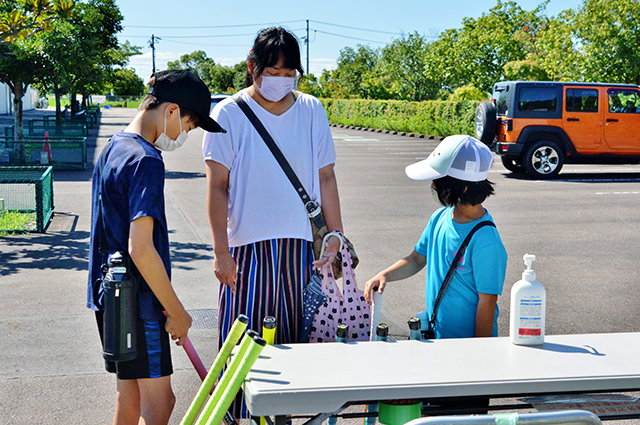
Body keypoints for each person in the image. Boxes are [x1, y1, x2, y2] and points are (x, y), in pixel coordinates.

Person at [202, 27, 343, 418]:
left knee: (294, 348)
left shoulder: (312, 110)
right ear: (252, 67)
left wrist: (336, 237)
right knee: (243, 349)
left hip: (301, 250)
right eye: (273, 70)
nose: (281, 79)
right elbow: (217, 189)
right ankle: (237, 417)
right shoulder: (228, 113)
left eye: (288, 72)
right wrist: (220, 252)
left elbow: (326, 177)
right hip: (246, 251)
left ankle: (284, 418)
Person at [87, 69, 225, 425]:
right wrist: (176, 311)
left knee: (129, 394)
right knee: (161, 402)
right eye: (189, 127)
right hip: (140, 304)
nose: (183, 135)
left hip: (110, 298)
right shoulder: (146, 159)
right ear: (172, 111)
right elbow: (141, 248)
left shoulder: (114, 146)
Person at [364, 134, 507, 339]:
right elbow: (416, 259)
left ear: (463, 187)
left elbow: (488, 303)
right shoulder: (440, 217)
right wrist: (385, 275)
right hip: (438, 338)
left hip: (465, 347)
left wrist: (478, 353)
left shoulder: (486, 241)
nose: (432, 186)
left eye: (438, 182)